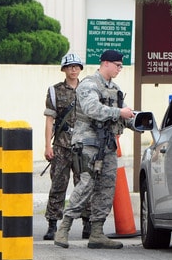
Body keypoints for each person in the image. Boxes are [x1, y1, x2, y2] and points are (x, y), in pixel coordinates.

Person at [54, 49, 136, 249]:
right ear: (106, 63)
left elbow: (124, 116)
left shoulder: (114, 89)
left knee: (107, 186)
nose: (119, 69)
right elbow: (93, 110)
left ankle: (97, 231)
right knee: (87, 183)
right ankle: (63, 228)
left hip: (107, 144)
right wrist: (120, 112)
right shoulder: (89, 85)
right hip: (88, 143)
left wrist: (140, 122)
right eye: (117, 65)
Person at [43, 53, 92, 240]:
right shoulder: (55, 91)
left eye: (76, 66)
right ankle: (52, 224)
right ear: (64, 69)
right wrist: (48, 145)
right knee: (58, 184)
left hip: (83, 145)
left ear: (80, 69)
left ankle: (87, 223)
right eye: (70, 66)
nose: (73, 69)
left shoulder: (88, 90)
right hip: (62, 145)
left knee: (85, 184)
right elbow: (49, 119)